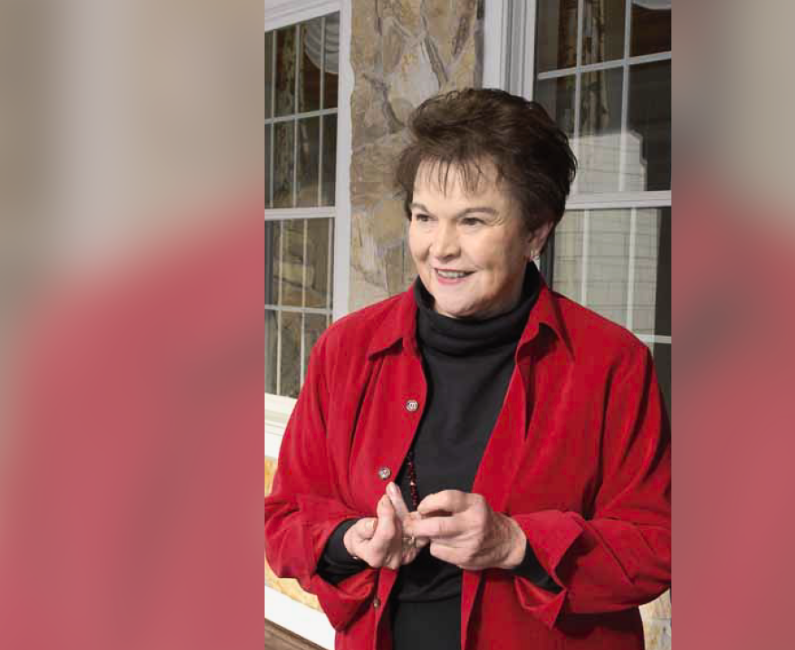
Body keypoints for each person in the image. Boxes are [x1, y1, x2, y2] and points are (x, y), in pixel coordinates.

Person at [264, 88, 671, 650]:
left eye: (473, 220)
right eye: (424, 216)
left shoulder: (613, 364)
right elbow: (284, 518)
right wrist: (351, 541)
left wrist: (517, 543)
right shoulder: (345, 350)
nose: (441, 247)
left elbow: (658, 544)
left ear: (536, 232)